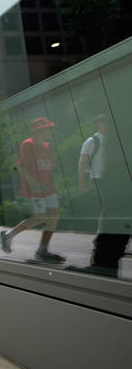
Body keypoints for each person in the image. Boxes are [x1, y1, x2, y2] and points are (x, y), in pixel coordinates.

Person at [70, 114, 131, 276]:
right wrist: (82, 182)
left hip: (112, 179)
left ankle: (103, 247)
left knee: (108, 211)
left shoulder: (114, 139)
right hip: (101, 179)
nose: (105, 124)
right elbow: (82, 161)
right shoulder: (93, 140)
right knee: (108, 210)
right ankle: (102, 245)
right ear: (97, 124)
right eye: (102, 121)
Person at [0, 117, 65, 264]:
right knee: (41, 217)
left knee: (53, 216)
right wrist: (33, 182)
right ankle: (8, 235)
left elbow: (49, 167)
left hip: (48, 187)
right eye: (48, 128)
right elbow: (21, 167)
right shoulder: (27, 144)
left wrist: (53, 185)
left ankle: (43, 250)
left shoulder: (48, 146)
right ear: (39, 130)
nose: (50, 130)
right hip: (33, 187)